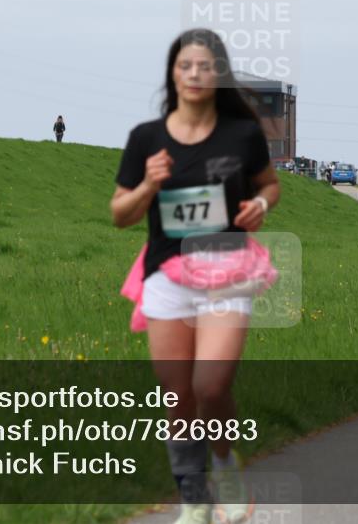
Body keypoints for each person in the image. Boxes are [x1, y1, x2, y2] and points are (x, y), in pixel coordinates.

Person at [111, 29, 280, 523]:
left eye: (206, 66)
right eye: (186, 65)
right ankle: (194, 500)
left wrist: (260, 205)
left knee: (209, 387)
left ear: (219, 75)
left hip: (228, 266)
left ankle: (225, 464)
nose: (195, 75)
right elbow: (119, 214)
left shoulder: (241, 136)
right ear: (173, 73)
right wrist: (148, 184)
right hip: (166, 272)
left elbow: (269, 185)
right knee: (178, 397)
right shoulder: (147, 138)